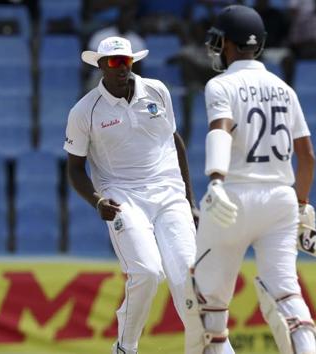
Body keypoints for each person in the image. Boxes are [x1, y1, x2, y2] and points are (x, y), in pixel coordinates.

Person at [185, 5, 316, 354]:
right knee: (287, 294)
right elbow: (307, 156)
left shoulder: (221, 84)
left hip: (233, 196)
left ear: (227, 43)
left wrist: (215, 180)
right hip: (280, 200)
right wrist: (302, 204)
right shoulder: (285, 88)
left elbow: (221, 130)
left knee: (210, 305)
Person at [64, 36, 198, 354]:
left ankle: (206, 345)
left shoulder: (157, 91)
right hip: (123, 196)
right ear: (100, 66)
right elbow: (74, 169)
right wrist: (96, 200)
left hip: (169, 193)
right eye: (114, 62)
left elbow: (174, 142)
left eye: (126, 61)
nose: (122, 68)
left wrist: (190, 201)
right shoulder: (85, 111)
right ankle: (126, 347)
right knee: (148, 272)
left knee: (188, 278)